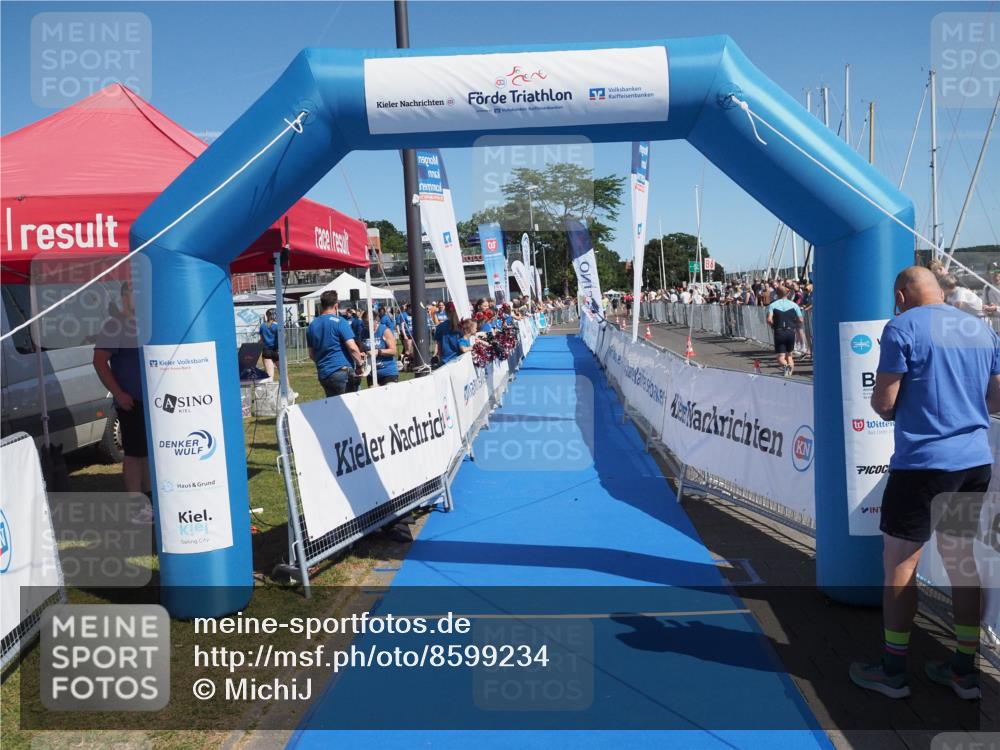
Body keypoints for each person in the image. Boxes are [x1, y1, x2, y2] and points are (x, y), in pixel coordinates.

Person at [850, 266, 1000, 700]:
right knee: (961, 559)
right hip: (974, 461)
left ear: (901, 295)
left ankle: (893, 671)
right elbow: (995, 399)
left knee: (899, 563)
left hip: (922, 465)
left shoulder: (900, 328)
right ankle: (964, 671)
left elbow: (884, 401)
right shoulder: (980, 329)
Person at [93, 281, 152, 523]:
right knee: (135, 454)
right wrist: (118, 393)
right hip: (131, 401)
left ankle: (150, 501)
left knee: (149, 454)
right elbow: (99, 361)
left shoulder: (148, 324)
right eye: (133, 294)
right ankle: (136, 506)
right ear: (124, 297)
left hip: (155, 401)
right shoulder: (115, 326)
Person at [306, 291, 366, 397]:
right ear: (336, 305)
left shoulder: (312, 325)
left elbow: (311, 354)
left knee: (334, 408)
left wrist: (324, 363)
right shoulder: (340, 321)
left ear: (321, 305)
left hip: (324, 373)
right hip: (342, 371)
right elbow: (352, 348)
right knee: (351, 406)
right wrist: (360, 364)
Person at [766, 285, 803, 377]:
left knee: (780, 357)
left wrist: (773, 326)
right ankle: (789, 375)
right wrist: (794, 323)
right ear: (788, 293)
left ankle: (786, 366)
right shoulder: (794, 305)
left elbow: (769, 320)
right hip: (790, 331)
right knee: (789, 355)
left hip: (779, 332)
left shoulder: (772, 305)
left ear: (776, 294)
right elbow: (801, 319)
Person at [363, 313, 399, 386]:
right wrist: (363, 354)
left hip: (388, 372)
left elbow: (394, 351)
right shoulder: (363, 332)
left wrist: (378, 352)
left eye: (367, 323)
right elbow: (362, 349)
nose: (366, 325)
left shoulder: (385, 331)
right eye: (364, 323)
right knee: (374, 396)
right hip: (372, 372)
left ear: (376, 321)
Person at [433, 301, 463, 366]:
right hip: (461, 359)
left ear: (445, 312)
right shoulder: (462, 325)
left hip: (446, 361)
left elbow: (439, 346)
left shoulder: (440, 327)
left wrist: (440, 359)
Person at [258, 309, 280, 379]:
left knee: (270, 376)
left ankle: (270, 390)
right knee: (283, 374)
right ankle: (287, 389)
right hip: (277, 351)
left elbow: (261, 340)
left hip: (266, 351)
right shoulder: (278, 326)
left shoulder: (262, 326)